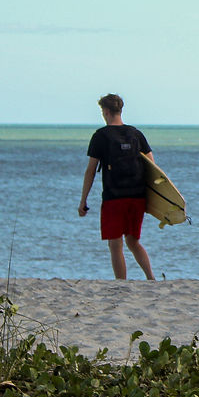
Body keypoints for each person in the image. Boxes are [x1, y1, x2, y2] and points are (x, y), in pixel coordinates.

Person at [79, 94, 156, 280]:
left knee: (115, 244)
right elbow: (152, 167)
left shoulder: (101, 136)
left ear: (105, 112)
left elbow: (90, 171)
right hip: (137, 196)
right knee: (133, 241)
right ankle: (151, 279)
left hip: (114, 197)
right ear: (120, 110)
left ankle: (121, 283)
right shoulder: (136, 134)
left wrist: (83, 200)